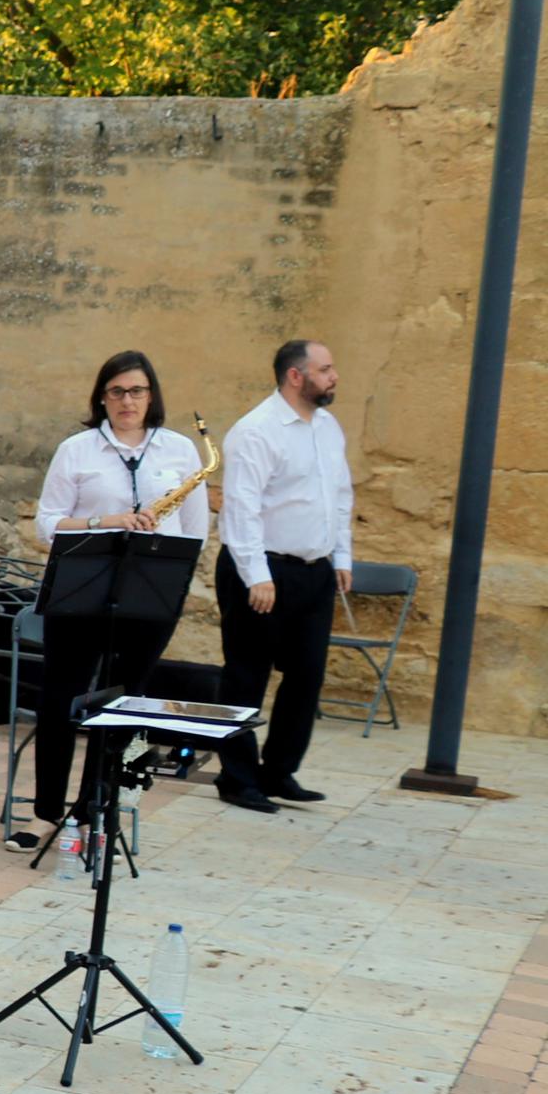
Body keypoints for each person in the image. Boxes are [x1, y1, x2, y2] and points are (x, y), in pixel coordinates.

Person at [26, 352, 211, 832]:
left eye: (137, 391)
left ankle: (97, 806)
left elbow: (195, 530)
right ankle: (48, 810)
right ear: (101, 397)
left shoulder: (179, 450)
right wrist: (105, 522)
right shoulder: (77, 449)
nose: (127, 401)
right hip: (82, 589)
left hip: (149, 594)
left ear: (152, 396)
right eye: (117, 392)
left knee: (125, 702)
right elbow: (48, 524)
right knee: (61, 698)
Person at [214, 339, 354, 815]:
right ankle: (236, 778)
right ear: (297, 376)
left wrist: (342, 557)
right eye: (326, 368)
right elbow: (241, 508)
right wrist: (257, 575)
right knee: (246, 676)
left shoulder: (329, 427)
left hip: (314, 573)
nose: (334, 376)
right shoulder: (256, 431)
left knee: (306, 676)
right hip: (262, 570)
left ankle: (278, 772)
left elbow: (339, 495)